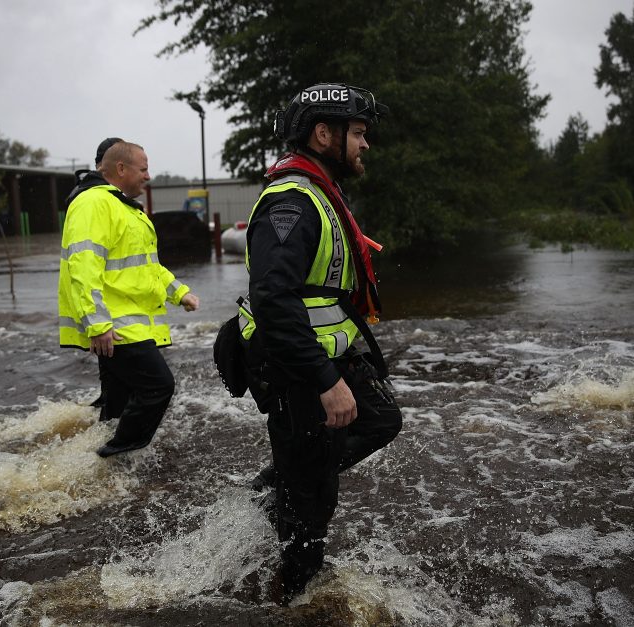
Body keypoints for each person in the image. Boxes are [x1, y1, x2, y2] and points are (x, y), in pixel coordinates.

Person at [238, 83, 402, 601]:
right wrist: (326, 378)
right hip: (298, 368)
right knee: (310, 517)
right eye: (357, 133)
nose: (365, 144)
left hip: (321, 356)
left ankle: (281, 486)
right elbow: (274, 300)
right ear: (323, 134)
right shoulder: (292, 200)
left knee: (379, 419)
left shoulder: (318, 192)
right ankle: (289, 599)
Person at [58, 141, 200, 457]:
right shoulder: (94, 203)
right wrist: (96, 324)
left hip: (122, 324)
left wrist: (179, 292)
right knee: (158, 386)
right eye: (144, 168)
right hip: (115, 326)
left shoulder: (124, 207)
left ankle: (107, 461)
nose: (148, 176)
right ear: (121, 169)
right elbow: (83, 267)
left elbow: (148, 268)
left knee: (118, 402)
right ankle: (112, 455)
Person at [66, 137, 124, 422]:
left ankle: (107, 421)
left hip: (107, 310)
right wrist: (98, 322)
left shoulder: (98, 196)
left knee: (113, 377)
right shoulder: (93, 200)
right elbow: (86, 262)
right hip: (104, 311)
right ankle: (109, 434)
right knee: (117, 380)